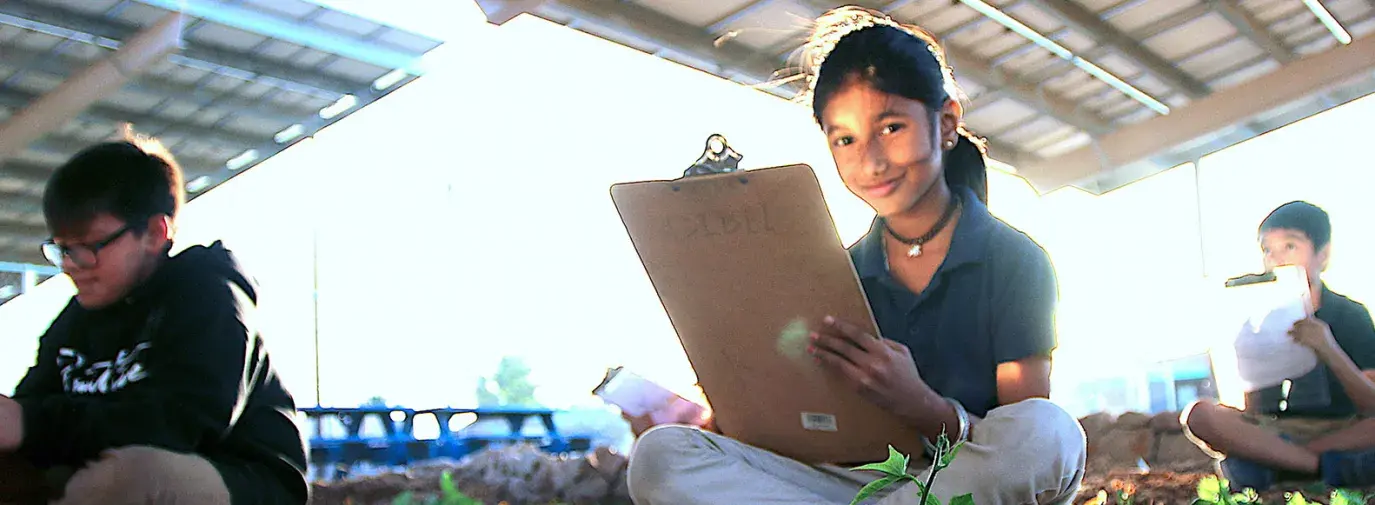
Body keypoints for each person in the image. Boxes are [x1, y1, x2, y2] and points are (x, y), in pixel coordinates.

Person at [623, 7, 1086, 505]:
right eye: (844, 138)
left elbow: (1018, 440)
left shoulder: (1014, 261)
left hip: (961, 481)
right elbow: (808, 434)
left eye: (890, 128)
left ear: (946, 120)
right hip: (856, 486)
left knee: (1049, 433)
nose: (870, 161)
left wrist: (922, 405)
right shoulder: (832, 277)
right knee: (662, 455)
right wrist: (737, 401)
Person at [0, 132, 309, 504]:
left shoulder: (207, 297)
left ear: (154, 233)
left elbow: (181, 426)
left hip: (243, 480)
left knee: (126, 479)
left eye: (89, 247)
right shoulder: (76, 320)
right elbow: (30, 412)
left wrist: (32, 424)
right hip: (103, 464)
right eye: (62, 249)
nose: (70, 266)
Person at [1182, 201, 1375, 490]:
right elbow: (1256, 412)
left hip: (1341, 430)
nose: (1277, 259)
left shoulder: (1349, 315)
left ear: (1323, 254)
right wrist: (1248, 355)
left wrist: (1327, 348)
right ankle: (1319, 468)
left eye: (1290, 247)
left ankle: (1281, 466)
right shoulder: (1259, 318)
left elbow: (1370, 404)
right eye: (1268, 250)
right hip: (1279, 433)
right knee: (1199, 414)